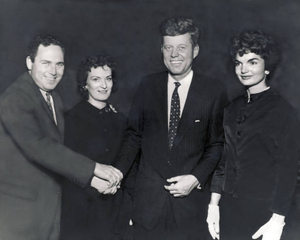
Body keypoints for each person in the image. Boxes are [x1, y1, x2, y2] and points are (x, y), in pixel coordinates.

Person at [0, 35, 122, 240]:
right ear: (30, 62)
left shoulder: (52, 96)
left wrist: (106, 112)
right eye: (46, 63)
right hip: (20, 214)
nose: (53, 71)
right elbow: (40, 147)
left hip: (50, 210)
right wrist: (94, 169)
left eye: (59, 64)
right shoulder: (15, 98)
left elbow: (65, 142)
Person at [115, 17, 227, 239]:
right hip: (147, 208)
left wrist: (195, 178)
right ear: (162, 50)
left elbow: (216, 145)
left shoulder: (213, 90)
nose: (174, 54)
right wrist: (117, 173)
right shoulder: (147, 85)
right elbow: (133, 136)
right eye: (168, 47)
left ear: (195, 50)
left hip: (189, 209)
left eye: (181, 47)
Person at [206, 30, 299, 240]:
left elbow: (289, 169)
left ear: (267, 67)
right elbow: (224, 161)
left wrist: (278, 219)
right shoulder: (231, 108)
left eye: (252, 62)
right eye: (239, 63)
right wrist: (214, 205)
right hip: (229, 207)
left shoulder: (281, 110)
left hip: (265, 211)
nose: (243, 69)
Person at [60, 53, 131, 240]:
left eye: (108, 79)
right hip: (81, 210)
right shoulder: (70, 119)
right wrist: (93, 181)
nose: (104, 85)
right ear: (85, 84)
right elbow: (65, 166)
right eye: (96, 79)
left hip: (114, 209)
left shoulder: (121, 120)